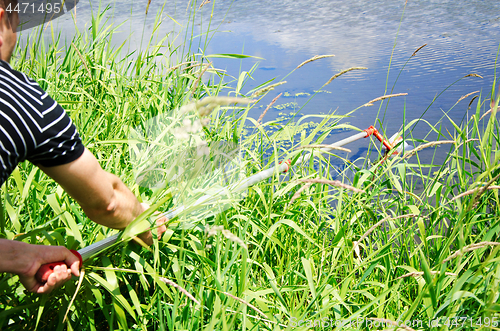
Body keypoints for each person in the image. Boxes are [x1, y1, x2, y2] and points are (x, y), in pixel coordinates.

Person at [0, 0, 165, 294]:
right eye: (17, 18)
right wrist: (145, 221)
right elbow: (108, 204)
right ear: (1, 18)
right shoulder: (24, 101)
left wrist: (18, 256)